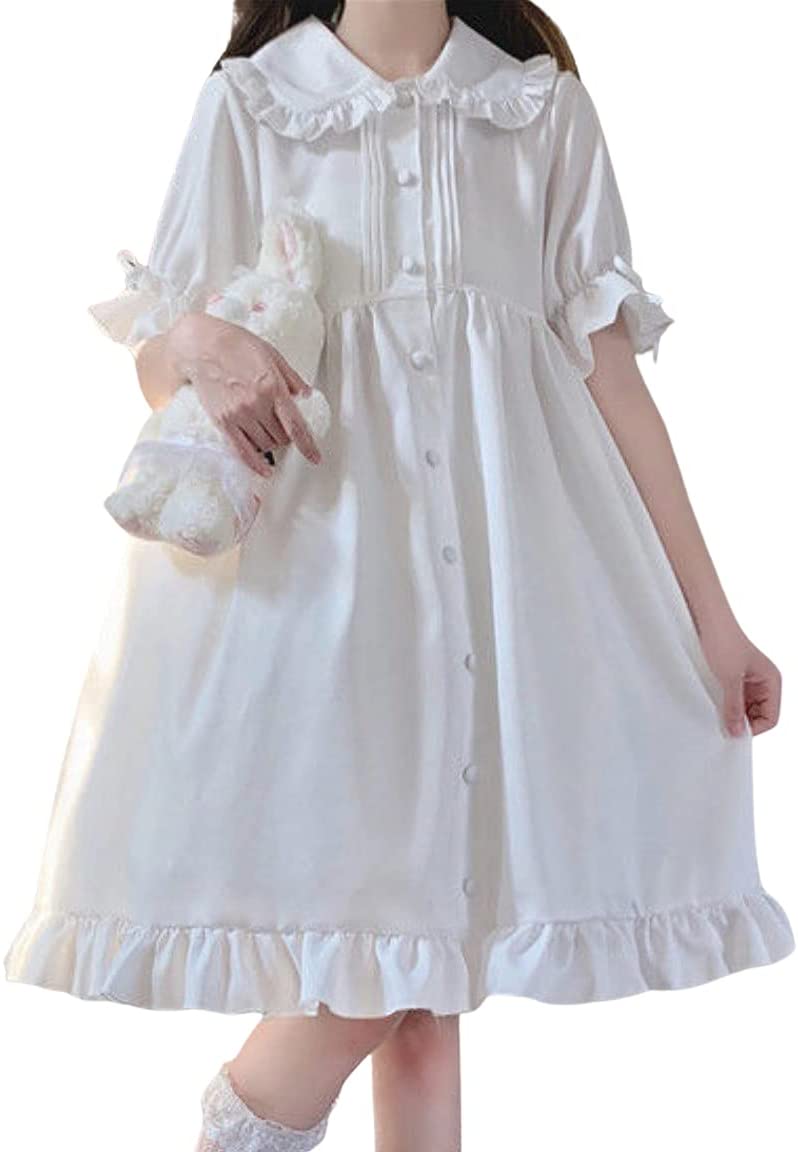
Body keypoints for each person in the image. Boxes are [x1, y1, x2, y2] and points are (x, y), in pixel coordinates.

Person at [4, 2, 794, 1150]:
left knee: (425, 998)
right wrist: (204, 347)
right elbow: (163, 353)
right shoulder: (254, 103)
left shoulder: (539, 109)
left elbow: (612, 376)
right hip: (323, 601)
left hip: (506, 595)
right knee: (377, 968)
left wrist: (715, 622)